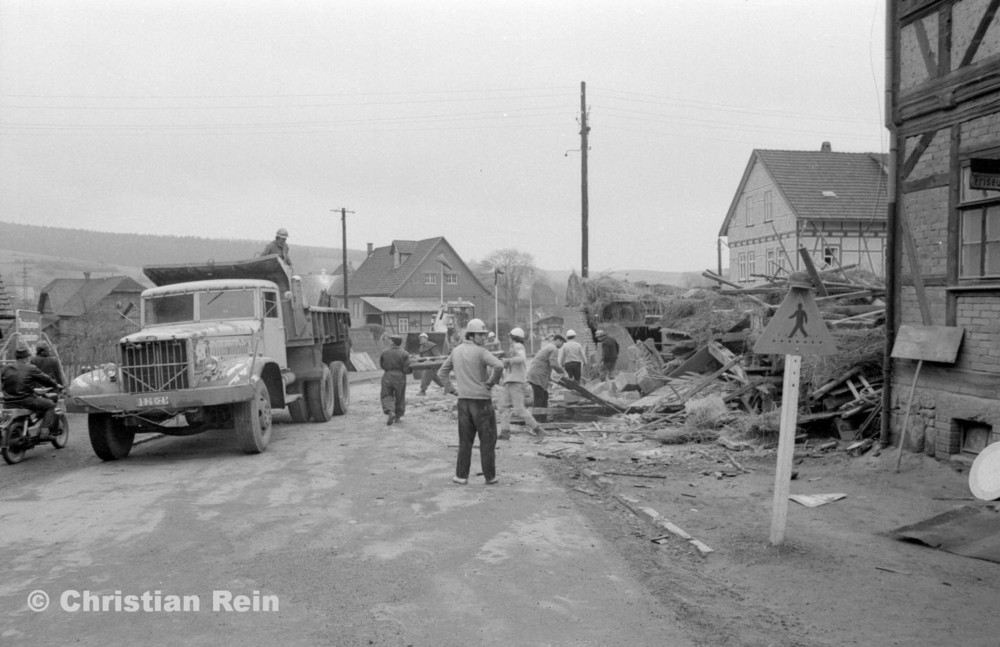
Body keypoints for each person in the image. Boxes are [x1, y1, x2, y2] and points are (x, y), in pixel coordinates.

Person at [437, 318, 505, 485]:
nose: (483, 338)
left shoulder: (456, 351)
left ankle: (461, 476)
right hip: (481, 402)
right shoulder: (481, 352)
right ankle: (490, 477)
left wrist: (452, 390)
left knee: (465, 442)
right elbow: (499, 366)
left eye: (483, 335)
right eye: (480, 335)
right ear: (471, 335)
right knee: (488, 441)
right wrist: (491, 382)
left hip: (463, 402)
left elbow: (441, 373)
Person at [1, 344, 62, 437]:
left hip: (8, 402)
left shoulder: (6, 369)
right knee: (50, 405)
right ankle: (44, 430)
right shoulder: (30, 368)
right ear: (26, 358)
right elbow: (45, 379)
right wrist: (55, 384)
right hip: (26, 401)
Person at [497, 327, 545, 442]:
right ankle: (505, 432)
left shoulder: (517, 346)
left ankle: (539, 430)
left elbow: (522, 359)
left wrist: (508, 361)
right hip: (511, 381)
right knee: (503, 406)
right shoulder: (514, 347)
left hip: (516, 382)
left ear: (513, 337)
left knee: (519, 409)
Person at [526, 334, 566, 410]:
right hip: (537, 375)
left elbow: (549, 365)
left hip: (538, 374)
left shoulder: (549, 347)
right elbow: (553, 363)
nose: (562, 345)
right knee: (539, 397)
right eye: (562, 342)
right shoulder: (553, 348)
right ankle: (538, 418)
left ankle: (542, 418)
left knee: (544, 395)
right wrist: (563, 372)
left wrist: (549, 378)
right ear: (558, 340)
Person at [379, 334, 411, 425]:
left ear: (393, 342)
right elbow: (407, 369)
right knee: (400, 397)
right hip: (400, 376)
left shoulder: (384, 352)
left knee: (386, 395)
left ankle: (390, 411)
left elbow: (381, 365)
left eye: (390, 340)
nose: (389, 342)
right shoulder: (405, 353)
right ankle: (397, 417)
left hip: (387, 375)